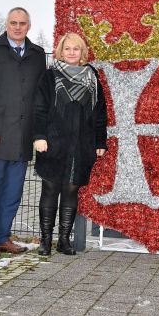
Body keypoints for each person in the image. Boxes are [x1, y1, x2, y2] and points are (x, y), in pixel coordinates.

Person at [0, 7, 46, 259]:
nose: (17, 27)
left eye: (22, 23)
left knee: (13, 193)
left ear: (29, 26)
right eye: (13, 22)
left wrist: (38, 133)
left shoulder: (37, 54)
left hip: (22, 137)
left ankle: (3, 237)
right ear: (6, 24)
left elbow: (39, 97)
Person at [32, 32, 108, 256]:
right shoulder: (50, 75)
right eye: (67, 49)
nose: (72, 52)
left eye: (76, 49)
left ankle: (64, 240)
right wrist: (39, 137)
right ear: (61, 51)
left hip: (82, 143)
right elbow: (39, 109)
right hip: (53, 142)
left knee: (71, 190)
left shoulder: (92, 76)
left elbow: (100, 111)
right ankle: (46, 240)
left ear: (82, 52)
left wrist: (100, 141)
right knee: (50, 188)